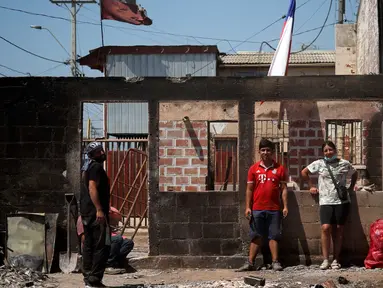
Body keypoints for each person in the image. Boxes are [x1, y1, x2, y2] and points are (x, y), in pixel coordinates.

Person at [301, 140, 358, 270]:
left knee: (339, 229)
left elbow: (355, 173)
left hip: (341, 201)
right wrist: (311, 186)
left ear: (335, 150)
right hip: (325, 201)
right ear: (323, 152)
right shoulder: (319, 164)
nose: (328, 152)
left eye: (330, 150)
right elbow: (304, 172)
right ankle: (325, 260)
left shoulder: (344, 163)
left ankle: (336, 259)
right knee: (326, 228)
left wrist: (351, 187)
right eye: (325, 150)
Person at [236, 138, 288, 272]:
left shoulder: (280, 169)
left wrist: (285, 206)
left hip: (274, 209)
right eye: (263, 150)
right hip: (257, 209)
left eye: (268, 150)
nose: (266, 152)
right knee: (256, 236)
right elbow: (249, 190)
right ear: (259, 152)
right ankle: (250, 263)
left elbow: (283, 189)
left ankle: (275, 262)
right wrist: (248, 207)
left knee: (274, 236)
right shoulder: (254, 169)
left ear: (273, 152)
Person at [80, 141, 111, 288]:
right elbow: (92, 188)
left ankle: (88, 278)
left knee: (88, 244)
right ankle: (94, 279)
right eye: (98, 151)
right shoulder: (96, 167)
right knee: (102, 245)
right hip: (95, 213)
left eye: (101, 150)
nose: (102, 153)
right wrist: (99, 209)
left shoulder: (86, 167)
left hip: (86, 211)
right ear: (92, 155)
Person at [77, 207, 135, 275]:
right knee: (117, 239)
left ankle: (115, 263)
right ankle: (108, 265)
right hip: (94, 245)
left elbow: (108, 233)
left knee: (128, 242)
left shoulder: (101, 216)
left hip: (103, 241)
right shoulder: (84, 218)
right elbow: (84, 239)